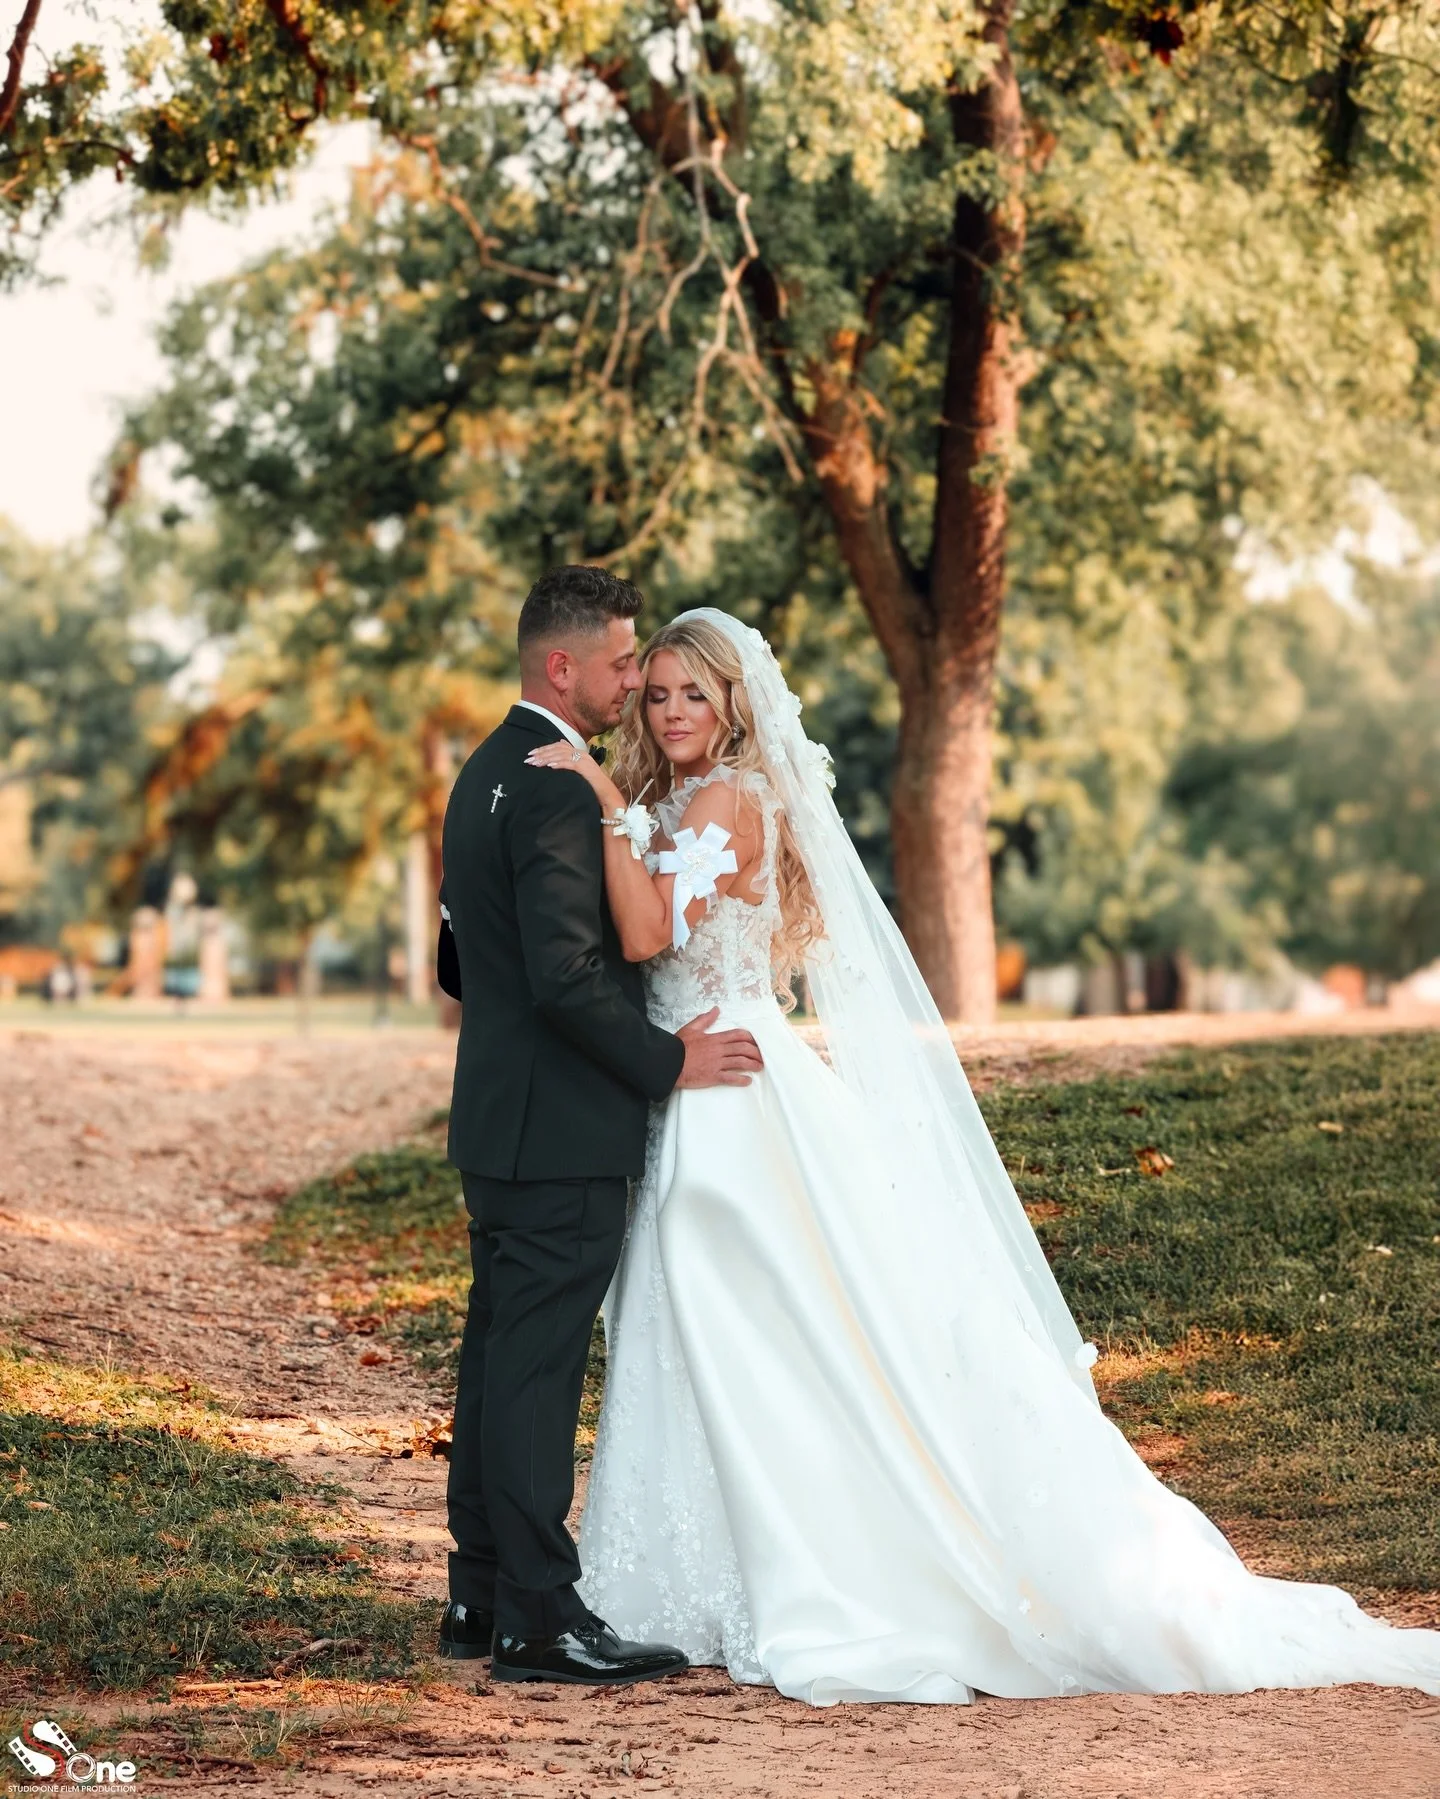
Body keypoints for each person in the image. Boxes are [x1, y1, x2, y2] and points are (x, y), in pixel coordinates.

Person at [525, 607, 1440, 1707]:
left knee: (754, 1318)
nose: (672, 712)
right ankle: (706, 1572)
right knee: (719, 1326)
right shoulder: (683, 795)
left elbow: (644, 936)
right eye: (660, 692)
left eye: (693, 696)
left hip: (733, 1083)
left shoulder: (726, 796)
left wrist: (602, 798)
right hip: (698, 1077)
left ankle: (819, 1569)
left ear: (732, 708)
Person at [435, 568, 764, 1686]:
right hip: (564, 1127)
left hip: (496, 1121)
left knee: (497, 1359)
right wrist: (670, 1059)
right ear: (562, 666)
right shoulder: (560, 790)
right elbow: (575, 979)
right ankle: (538, 1617)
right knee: (531, 1371)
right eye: (627, 664)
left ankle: (478, 1592)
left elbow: (458, 957)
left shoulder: (482, 773)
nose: (638, 684)